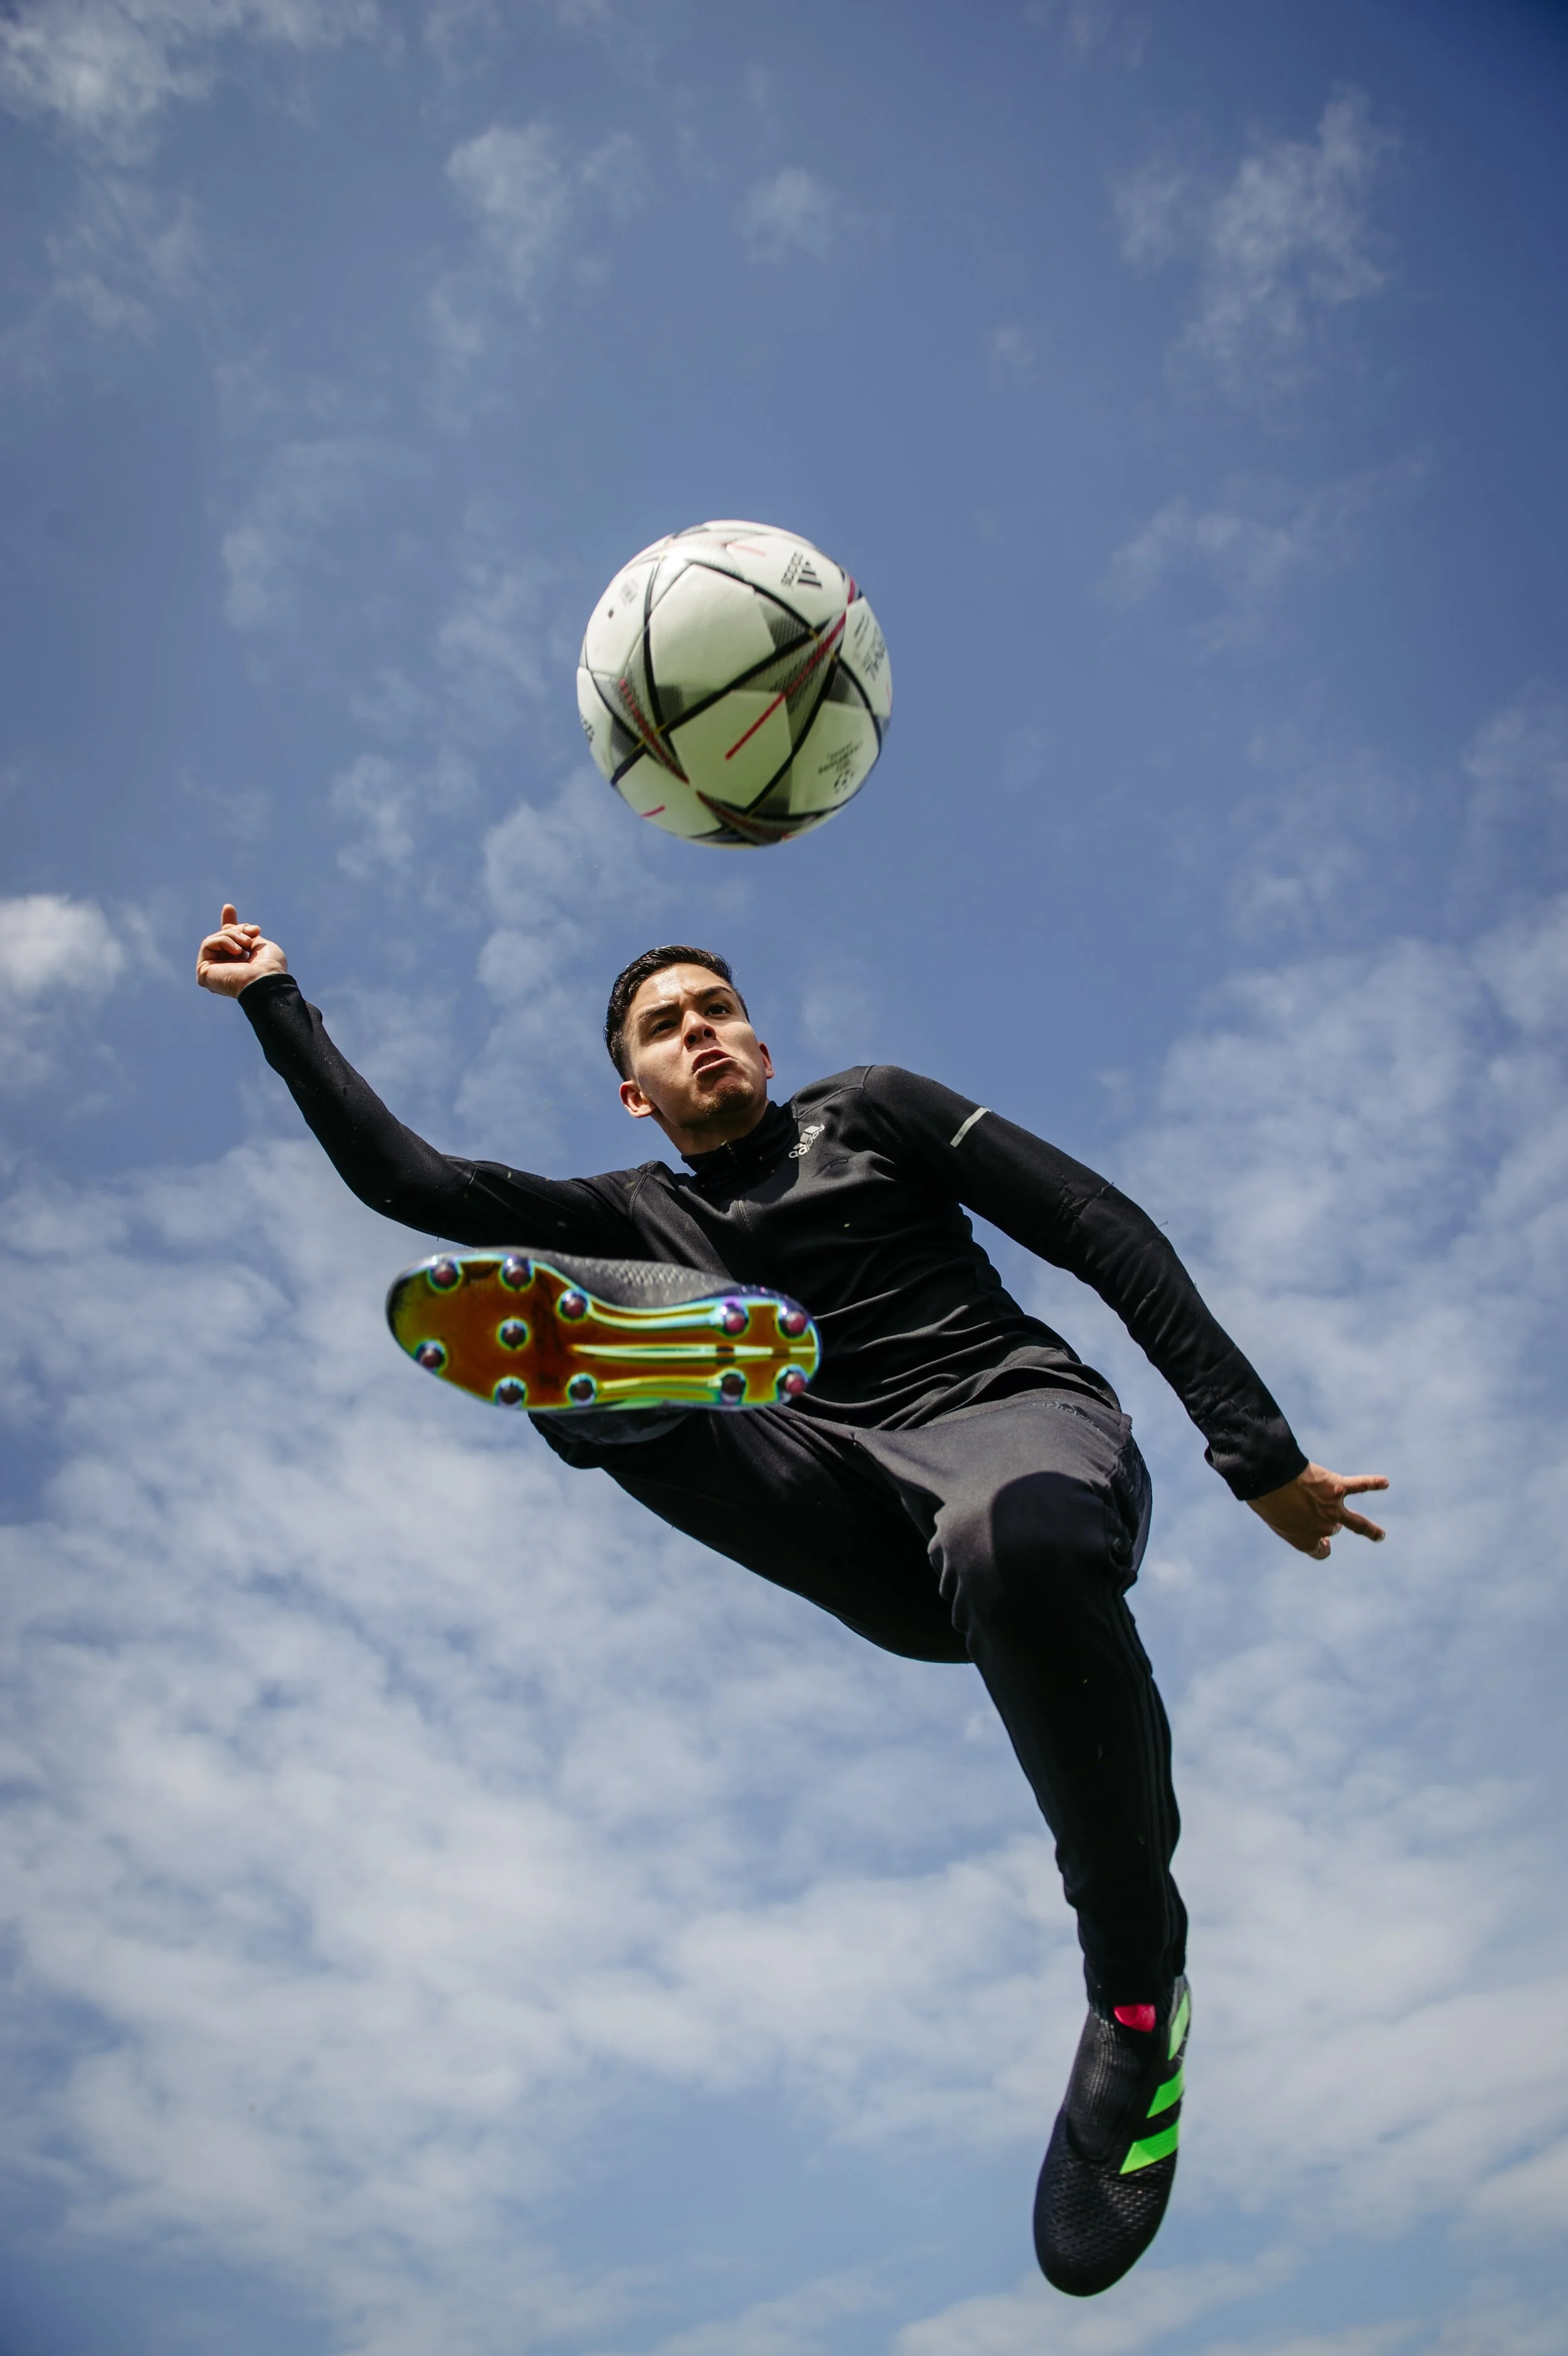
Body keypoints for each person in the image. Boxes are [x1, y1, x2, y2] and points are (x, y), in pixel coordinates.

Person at [196, 905, 1387, 2296]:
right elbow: (407, 1181)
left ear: (757, 1041)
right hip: (843, 1507)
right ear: (632, 1093)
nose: (699, 1027)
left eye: (716, 1007)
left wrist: (1250, 1449)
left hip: (1012, 1439)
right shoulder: (635, 1206)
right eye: (664, 1026)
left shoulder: (873, 1110)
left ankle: (1134, 1993)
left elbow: (1095, 1227)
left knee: (1009, 1541)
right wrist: (274, 997)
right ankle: (628, 1386)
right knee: (602, 1332)